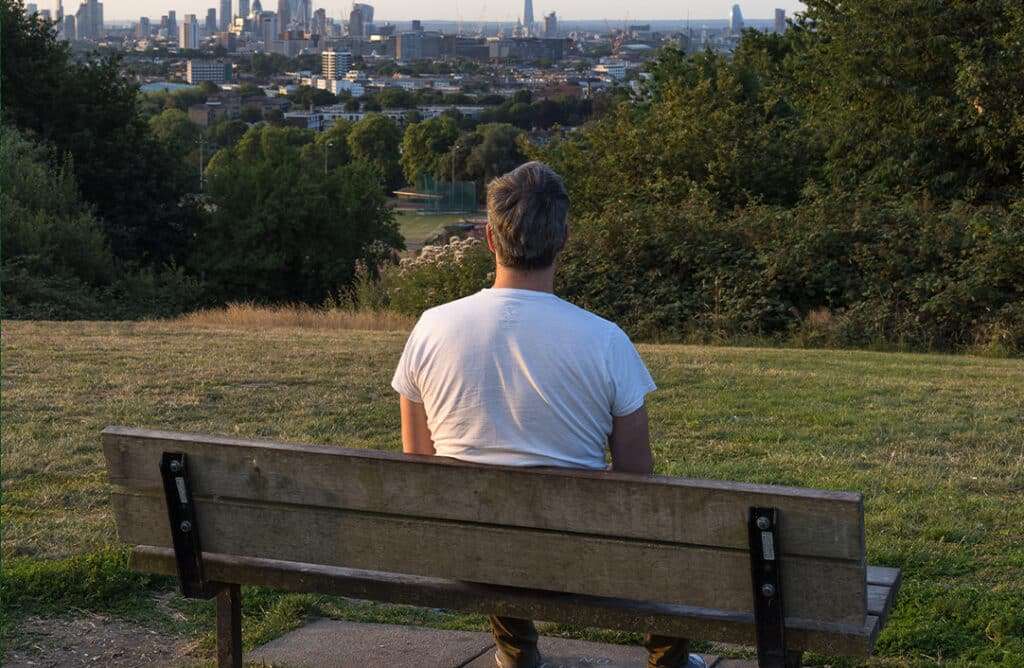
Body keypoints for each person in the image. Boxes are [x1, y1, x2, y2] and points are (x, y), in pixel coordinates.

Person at [391, 161, 704, 668]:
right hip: (577, 558)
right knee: (659, 531)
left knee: (486, 499)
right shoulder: (605, 340)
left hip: (467, 552)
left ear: (489, 239)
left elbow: (417, 458)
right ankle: (668, 658)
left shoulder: (430, 329)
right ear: (563, 239)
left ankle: (515, 651)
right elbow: (636, 476)